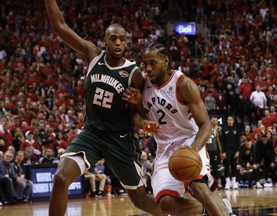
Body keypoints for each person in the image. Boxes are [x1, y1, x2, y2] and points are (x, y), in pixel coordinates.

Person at [44, 1, 162, 216]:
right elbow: (60, 27)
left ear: (126, 44)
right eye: (113, 38)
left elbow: (139, 115)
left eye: (122, 39)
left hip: (120, 138)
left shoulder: (134, 73)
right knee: (61, 177)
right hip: (91, 134)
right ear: (105, 41)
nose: (118, 43)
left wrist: (136, 103)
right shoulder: (93, 55)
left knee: (140, 200)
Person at [124, 42, 234, 216]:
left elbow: (205, 124)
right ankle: (217, 207)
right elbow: (134, 116)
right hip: (164, 149)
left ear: (165, 61)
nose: (148, 68)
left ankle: (220, 211)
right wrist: (144, 123)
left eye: (153, 63)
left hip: (189, 141)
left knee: (198, 187)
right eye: (145, 64)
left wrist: (192, 149)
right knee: (166, 204)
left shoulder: (183, 84)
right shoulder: (142, 86)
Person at [221, 115, 241, 190]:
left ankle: (233, 182)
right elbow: (222, 142)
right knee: (227, 166)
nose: (229, 121)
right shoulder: (224, 129)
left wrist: (238, 151)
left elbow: (238, 141)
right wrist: (223, 152)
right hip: (227, 151)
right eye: (228, 120)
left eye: (231, 120)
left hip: (235, 151)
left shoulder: (236, 130)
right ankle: (227, 182)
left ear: (233, 121)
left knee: (234, 166)